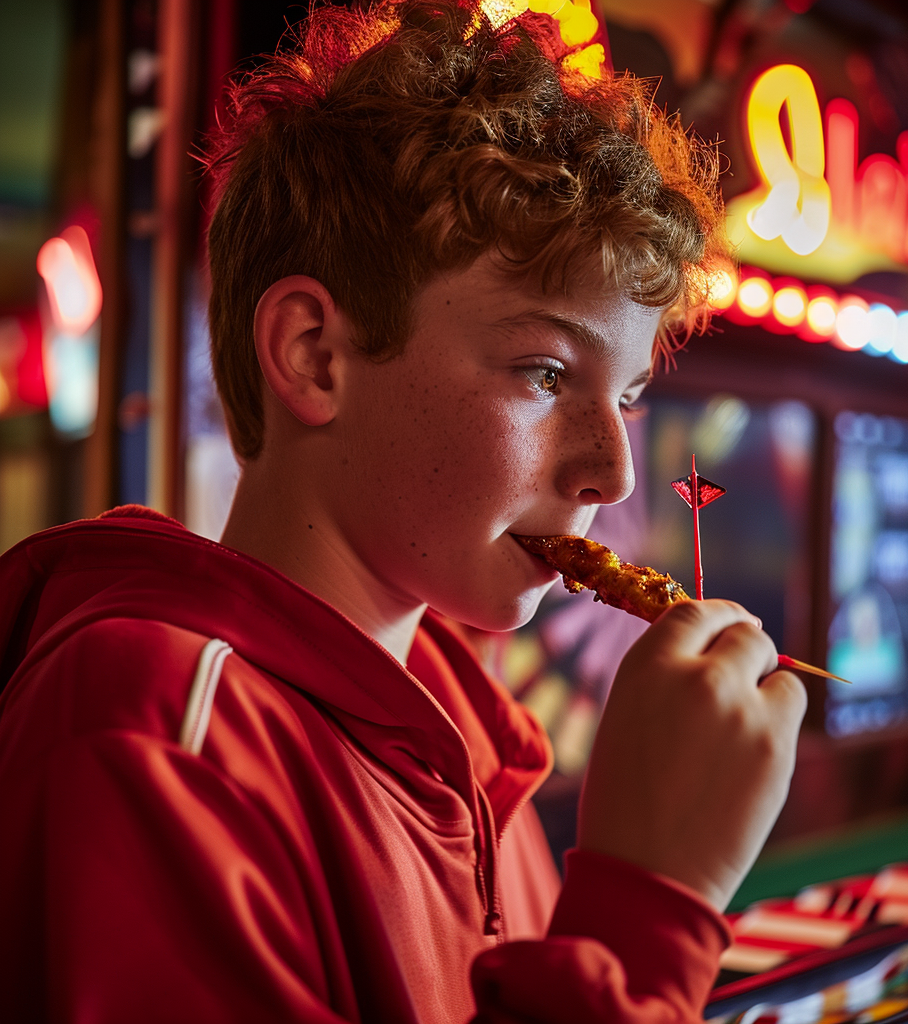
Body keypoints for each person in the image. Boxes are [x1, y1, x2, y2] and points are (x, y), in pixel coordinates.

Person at [0, 2, 807, 1021]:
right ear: (313, 355)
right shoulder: (151, 734)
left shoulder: (467, 746)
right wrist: (650, 905)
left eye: (629, 398)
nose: (614, 474)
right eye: (545, 370)